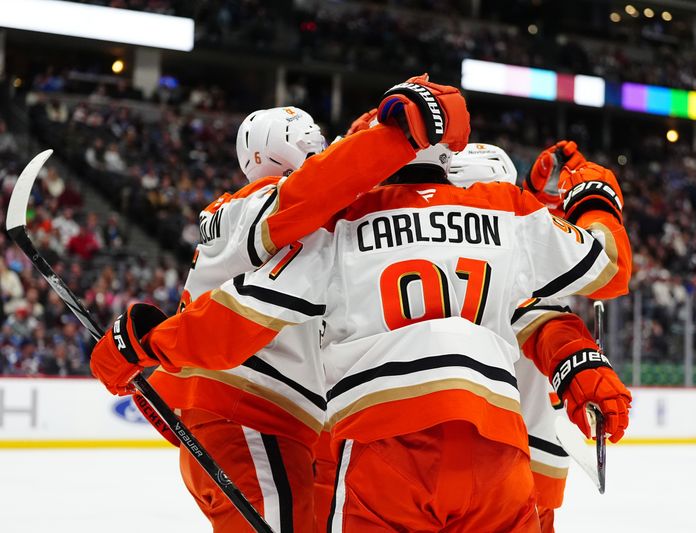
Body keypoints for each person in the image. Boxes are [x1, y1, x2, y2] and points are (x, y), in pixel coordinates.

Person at [91, 81, 629, 530]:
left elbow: (247, 312)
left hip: (377, 443)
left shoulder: (338, 222)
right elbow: (602, 271)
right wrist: (593, 201)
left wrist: (154, 343)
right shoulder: (506, 212)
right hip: (500, 450)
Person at [130, 77, 469, 532]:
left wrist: (365, 132)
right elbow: (319, 188)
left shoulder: (236, 214)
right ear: (268, 152)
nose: (316, 142)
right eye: (304, 136)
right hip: (250, 415)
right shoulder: (265, 206)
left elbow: (329, 183)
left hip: (239, 416)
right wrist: (398, 136)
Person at [450, 142, 627, 533]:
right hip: (518, 467)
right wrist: (591, 199)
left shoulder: (405, 244)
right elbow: (597, 275)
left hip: (418, 460)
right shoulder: (517, 247)